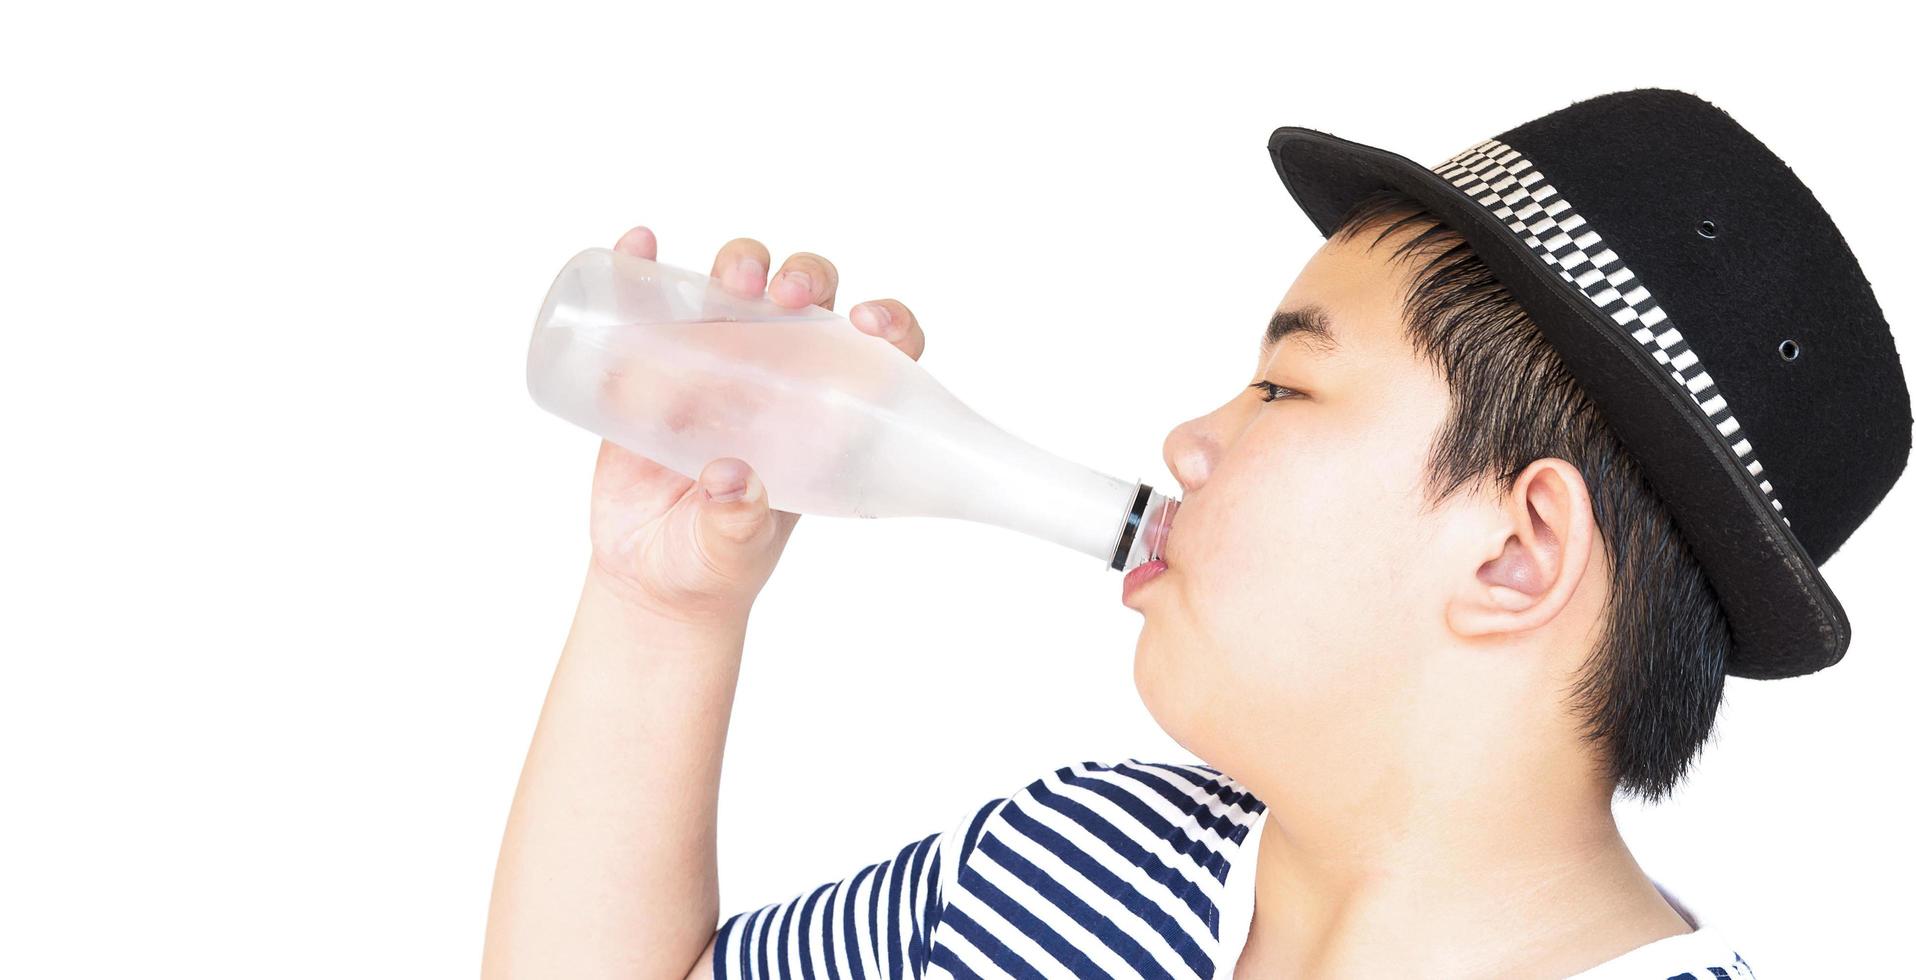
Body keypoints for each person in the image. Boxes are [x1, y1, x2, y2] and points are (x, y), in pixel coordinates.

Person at [481, 89, 1909, 978]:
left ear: (1517, 552)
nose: (1189, 440)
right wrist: (662, 608)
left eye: (1287, 383)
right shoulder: (1070, 867)